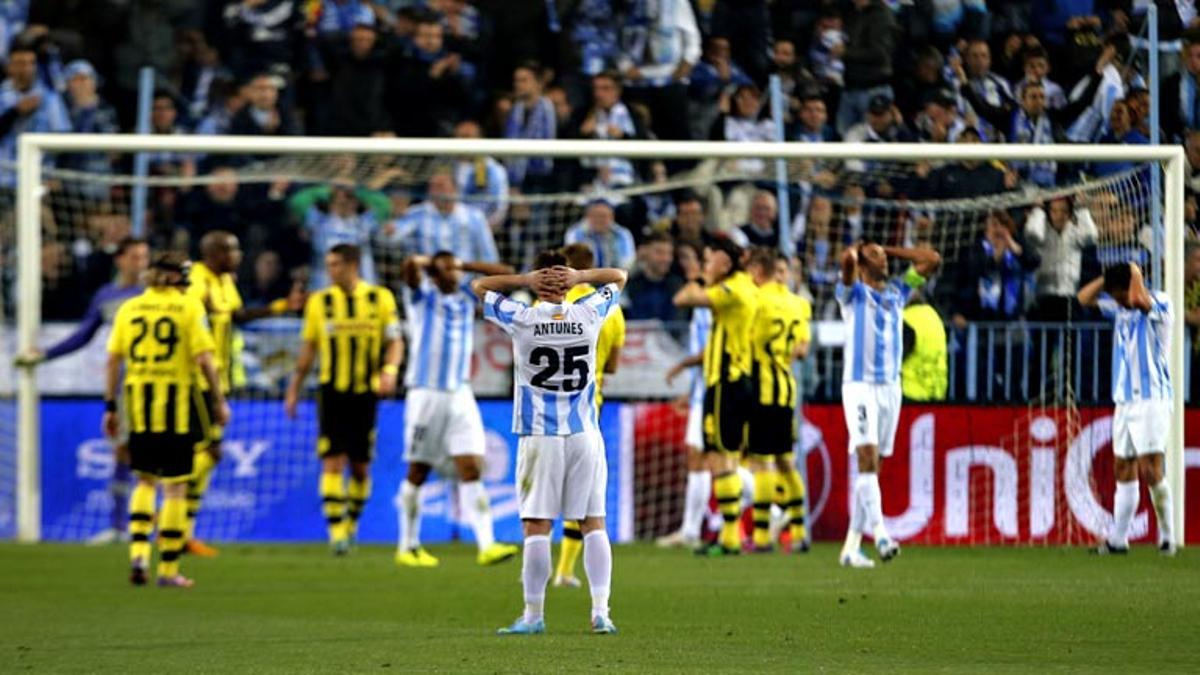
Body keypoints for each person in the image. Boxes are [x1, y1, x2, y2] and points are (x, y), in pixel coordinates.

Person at [474, 251, 627, 635]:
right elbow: (620, 276)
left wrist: (527, 280)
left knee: (537, 526)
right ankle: (600, 613)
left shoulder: (522, 318)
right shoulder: (589, 312)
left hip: (540, 434)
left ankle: (533, 616)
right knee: (593, 522)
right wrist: (580, 276)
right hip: (584, 434)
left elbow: (479, 286)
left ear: (540, 279)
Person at [104, 252, 229, 588]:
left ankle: (139, 556)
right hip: (177, 403)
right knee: (175, 488)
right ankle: (169, 571)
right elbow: (204, 358)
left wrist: (110, 407)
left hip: (138, 405)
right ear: (176, 277)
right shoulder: (189, 307)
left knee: (144, 481)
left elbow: (113, 360)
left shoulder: (129, 308)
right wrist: (218, 400)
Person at [14, 237, 149, 544]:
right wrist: (46, 354)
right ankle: (119, 527)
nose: (141, 263)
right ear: (120, 260)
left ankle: (168, 524)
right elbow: (83, 335)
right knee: (122, 452)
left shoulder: (153, 293)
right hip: (125, 384)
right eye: (135, 257)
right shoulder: (107, 296)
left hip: (159, 380)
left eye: (145, 257)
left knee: (159, 454)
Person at [396, 252, 519, 568]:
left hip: (461, 393)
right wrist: (429, 262)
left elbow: (506, 272)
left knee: (472, 466)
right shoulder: (421, 297)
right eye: (447, 268)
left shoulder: (466, 297)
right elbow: (409, 267)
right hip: (426, 393)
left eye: (456, 268)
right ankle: (408, 545)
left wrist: (463, 265)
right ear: (436, 273)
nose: (455, 273)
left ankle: (487, 544)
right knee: (418, 470)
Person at [184, 231, 303, 556]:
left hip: (219, 379)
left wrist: (280, 307)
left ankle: (181, 528)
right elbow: (188, 319)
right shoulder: (196, 280)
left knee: (209, 453)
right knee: (206, 451)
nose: (237, 256)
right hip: (197, 379)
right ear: (214, 252)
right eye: (231, 250)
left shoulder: (224, 282)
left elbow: (236, 316)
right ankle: (171, 511)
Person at [284, 244, 402, 555]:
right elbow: (308, 350)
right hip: (332, 393)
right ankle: (336, 533)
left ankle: (351, 524)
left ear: (352, 265)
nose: (330, 271)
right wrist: (294, 388)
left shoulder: (380, 298)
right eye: (329, 265)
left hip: (365, 393)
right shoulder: (319, 303)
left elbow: (395, 342)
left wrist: (389, 370)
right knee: (332, 460)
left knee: (360, 466)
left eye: (335, 264)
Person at [837, 240, 941, 568]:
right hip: (860, 387)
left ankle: (851, 547)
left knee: (874, 467)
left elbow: (931, 259)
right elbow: (845, 260)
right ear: (863, 265)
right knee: (866, 457)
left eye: (883, 257)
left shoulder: (898, 291)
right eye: (875, 257)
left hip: (890, 388)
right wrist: (857, 254)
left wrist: (888, 251)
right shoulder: (852, 296)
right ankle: (881, 535)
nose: (882, 261)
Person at [1077, 263, 1176, 556]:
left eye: (1118, 293)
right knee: (1124, 468)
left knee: (1151, 469)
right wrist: (1107, 279)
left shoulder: (1160, 302)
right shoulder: (1119, 309)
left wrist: (1134, 273)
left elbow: (1137, 299)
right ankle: (1118, 541)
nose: (1118, 300)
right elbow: (1082, 299)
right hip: (1125, 400)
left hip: (1151, 399)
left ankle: (1169, 538)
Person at [672, 237, 759, 556]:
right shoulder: (745, 286)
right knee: (723, 458)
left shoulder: (732, 289)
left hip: (726, 382)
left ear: (725, 264)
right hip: (731, 382)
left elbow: (682, 298)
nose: (706, 266)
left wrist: (702, 278)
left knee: (720, 459)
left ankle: (733, 536)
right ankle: (730, 535)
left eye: (711, 261)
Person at [551, 242, 626, 589]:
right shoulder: (612, 309)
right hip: (588, 407)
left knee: (543, 501)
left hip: (547, 409)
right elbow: (612, 365)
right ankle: (566, 571)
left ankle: (552, 578)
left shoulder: (551, 302)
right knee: (583, 495)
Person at [744, 248, 812, 553]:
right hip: (786, 389)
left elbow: (743, 342)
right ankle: (799, 533)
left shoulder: (756, 301)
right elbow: (802, 349)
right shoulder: (799, 304)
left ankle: (761, 537)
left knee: (762, 463)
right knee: (786, 460)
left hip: (761, 389)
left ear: (759, 270)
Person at [657, 240, 712, 549]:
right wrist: (691, 392)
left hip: (717, 390)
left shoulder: (714, 300)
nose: (694, 268)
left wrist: (681, 367)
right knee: (699, 457)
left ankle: (774, 506)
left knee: (712, 459)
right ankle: (690, 529)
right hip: (702, 390)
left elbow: (713, 350)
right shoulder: (703, 302)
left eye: (702, 261)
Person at [288, 181, 392, 288]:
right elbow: (298, 201)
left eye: (349, 198)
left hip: (361, 289)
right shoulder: (319, 222)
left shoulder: (365, 222)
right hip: (324, 288)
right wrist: (330, 190)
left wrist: (355, 191)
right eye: (338, 199)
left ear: (356, 203)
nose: (343, 201)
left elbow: (384, 204)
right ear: (330, 203)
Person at [388, 170, 499, 263]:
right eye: (432, 187)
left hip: (464, 284)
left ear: (454, 189)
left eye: (441, 186)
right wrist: (390, 229)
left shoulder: (474, 217)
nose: (436, 191)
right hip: (427, 284)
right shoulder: (416, 214)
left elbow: (489, 255)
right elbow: (394, 235)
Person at [451, 119, 509, 230]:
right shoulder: (445, 167)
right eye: (459, 137)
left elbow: (499, 209)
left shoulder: (493, 170)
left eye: (467, 137)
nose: (462, 142)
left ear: (479, 139)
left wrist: (480, 231)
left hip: (479, 231)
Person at [622, 232, 686, 323]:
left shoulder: (677, 286)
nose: (666, 258)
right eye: (660, 252)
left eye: (669, 253)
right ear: (645, 253)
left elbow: (679, 324)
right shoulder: (632, 285)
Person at [563, 197, 637, 270]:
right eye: (595, 216)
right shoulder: (575, 233)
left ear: (612, 217)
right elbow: (574, 262)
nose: (599, 220)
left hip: (615, 275)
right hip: (585, 276)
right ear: (587, 217)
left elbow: (628, 262)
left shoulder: (622, 234)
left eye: (604, 216)